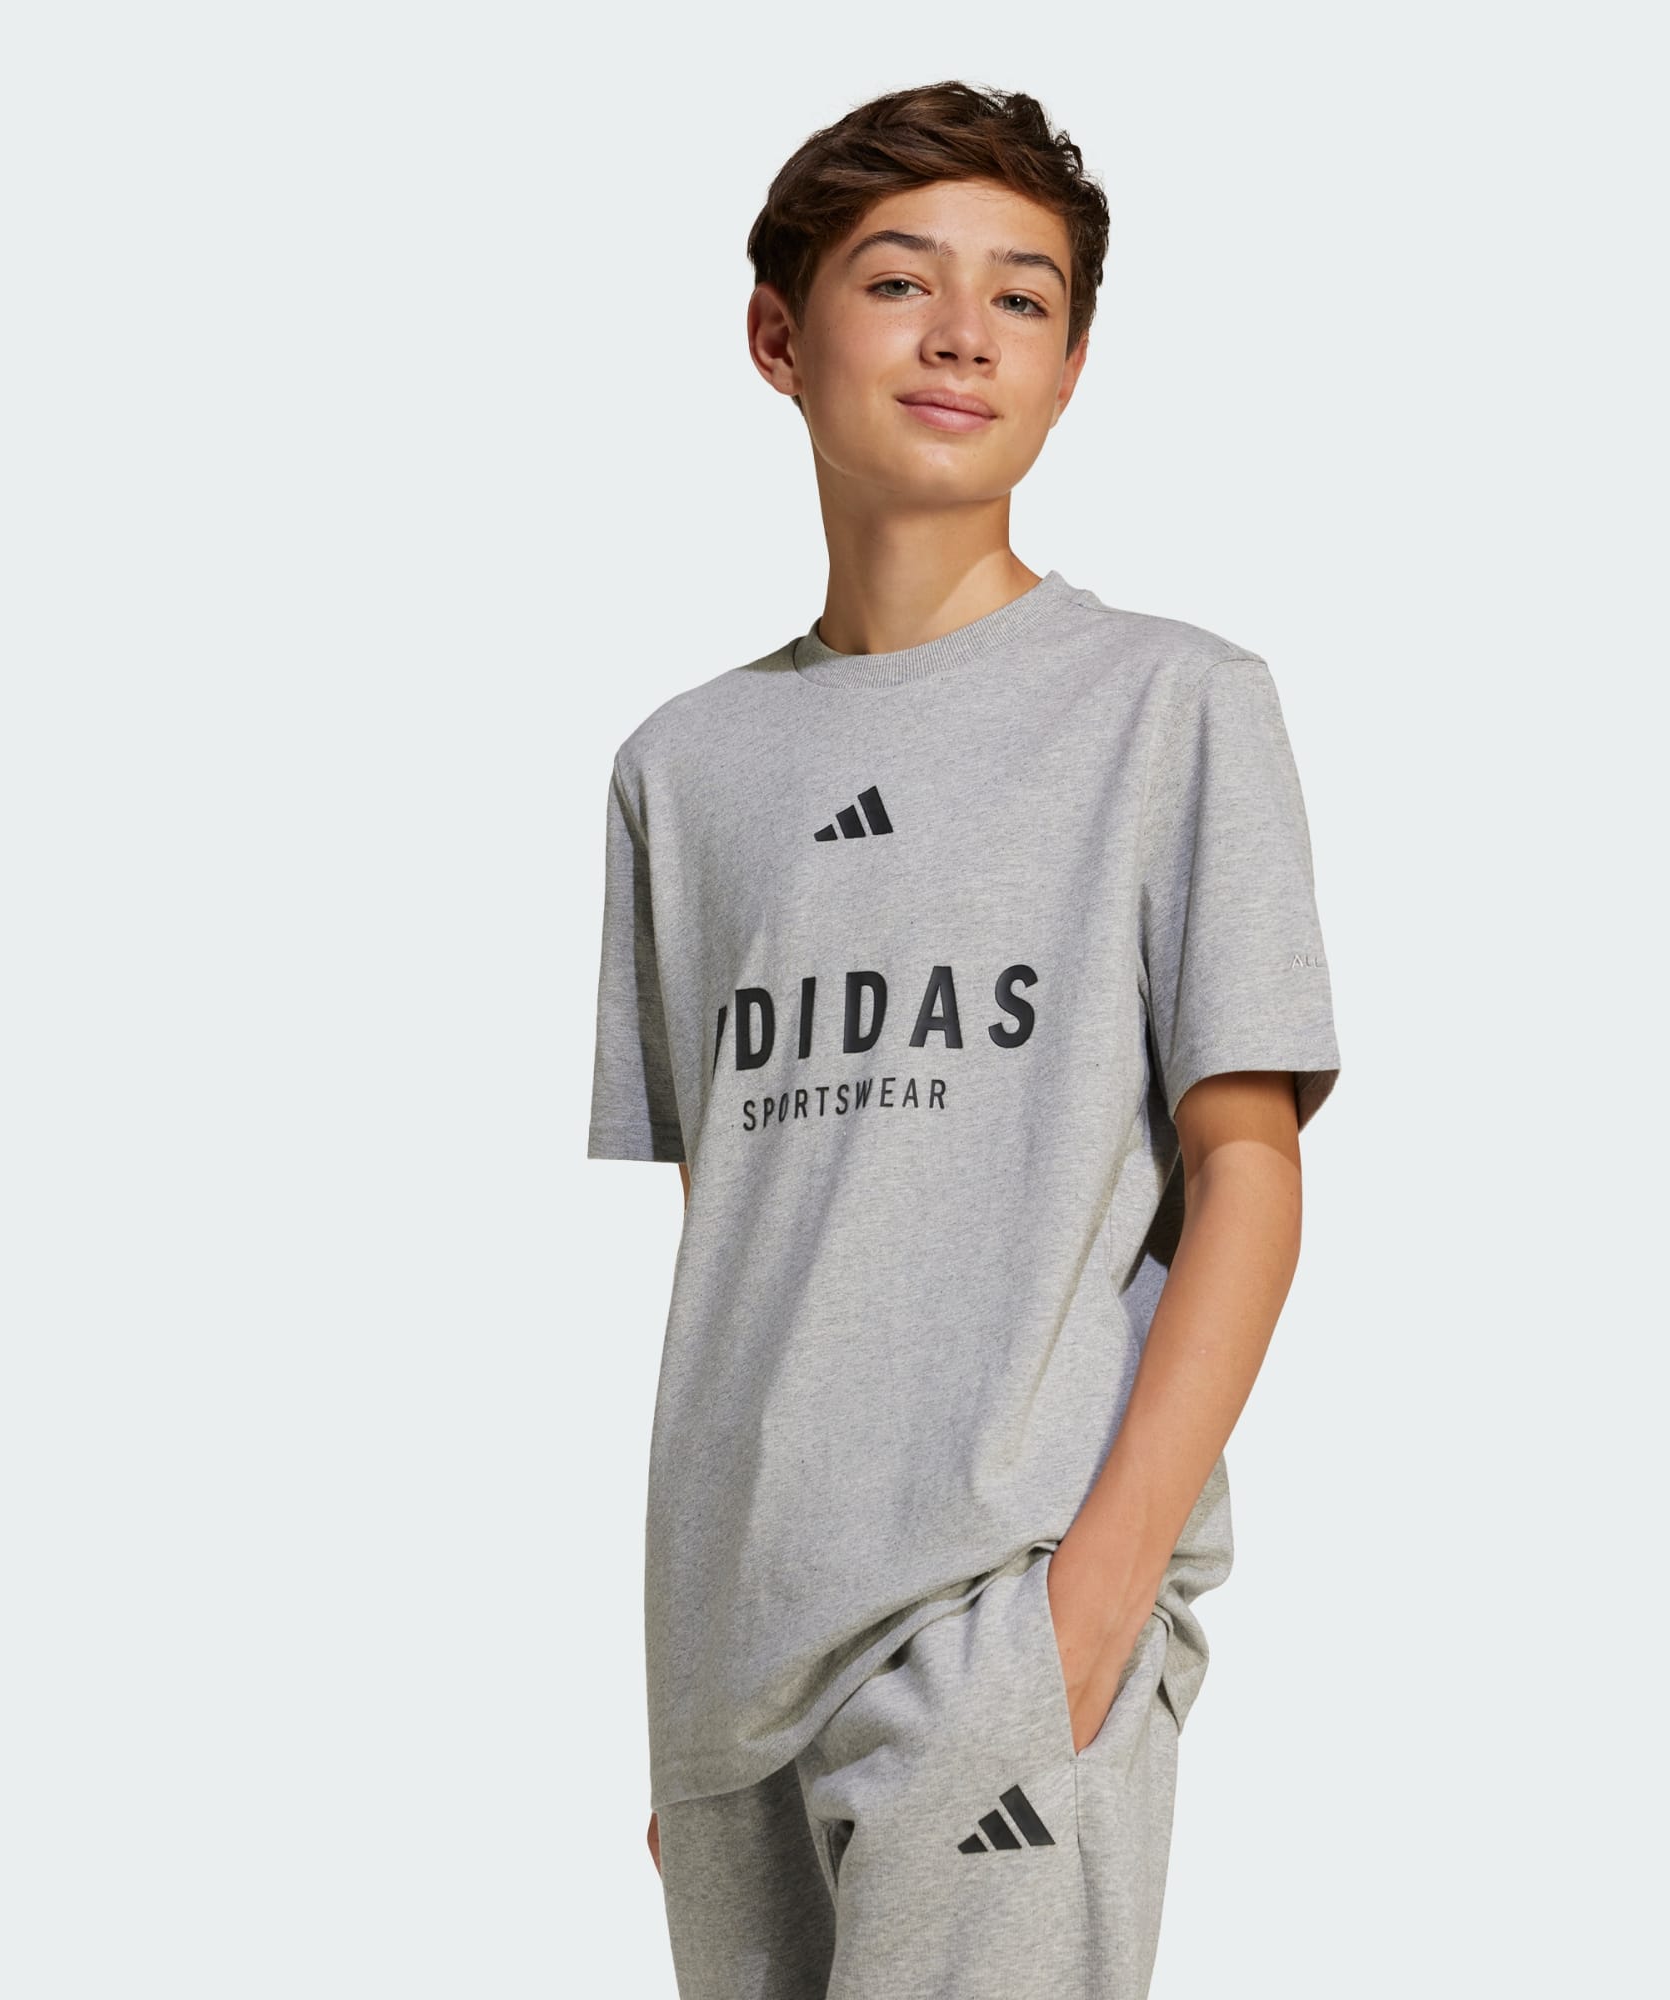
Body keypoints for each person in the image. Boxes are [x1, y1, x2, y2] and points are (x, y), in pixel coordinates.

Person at [587, 78, 1341, 1999]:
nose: (960, 335)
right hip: (728, 1663)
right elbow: (744, 1215)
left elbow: (1250, 1169)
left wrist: (1086, 1615)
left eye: (1021, 298)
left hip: (998, 1618)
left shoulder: (1170, 706)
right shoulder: (683, 767)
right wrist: (702, 1694)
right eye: (899, 281)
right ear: (779, 335)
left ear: (1072, 367)